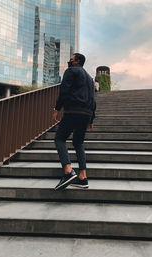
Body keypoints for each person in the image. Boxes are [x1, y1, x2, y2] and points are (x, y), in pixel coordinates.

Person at [53, 53, 96, 190]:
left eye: (71, 60)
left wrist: (57, 108)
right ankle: (83, 177)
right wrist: (91, 118)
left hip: (73, 110)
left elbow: (64, 91)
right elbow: (93, 99)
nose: (69, 62)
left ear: (77, 61)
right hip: (86, 113)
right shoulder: (90, 79)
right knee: (78, 142)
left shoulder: (71, 71)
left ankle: (68, 171)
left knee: (59, 139)